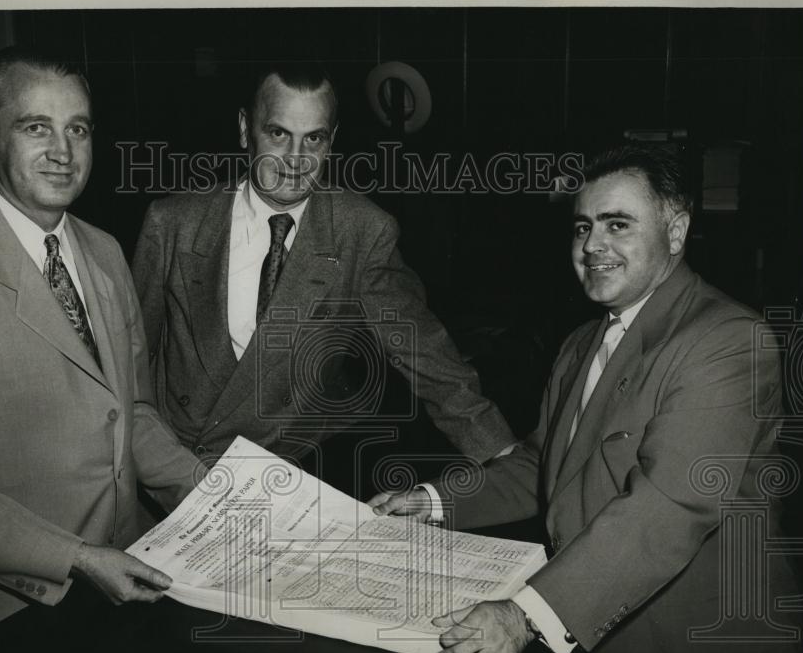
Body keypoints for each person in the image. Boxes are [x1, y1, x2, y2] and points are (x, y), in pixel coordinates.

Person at [369, 144, 803, 653]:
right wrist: (433, 501)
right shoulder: (582, 342)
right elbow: (544, 462)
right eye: (583, 227)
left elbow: (666, 509)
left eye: (617, 224)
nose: (593, 245)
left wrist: (524, 616)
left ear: (676, 231)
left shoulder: (728, 340)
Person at [0, 47, 202, 653]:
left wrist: (211, 493)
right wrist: (76, 557)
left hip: (125, 579)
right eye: (36, 128)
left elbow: (133, 413)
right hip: (6, 613)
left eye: (77, 129)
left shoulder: (105, 250)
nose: (63, 151)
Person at [131, 62, 515, 476]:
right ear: (245, 129)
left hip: (283, 472)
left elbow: (426, 354)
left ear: (332, 141)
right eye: (278, 134)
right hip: (176, 467)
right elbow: (129, 364)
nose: (295, 159)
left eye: (313, 138)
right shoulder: (173, 223)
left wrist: (509, 463)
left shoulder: (361, 231)